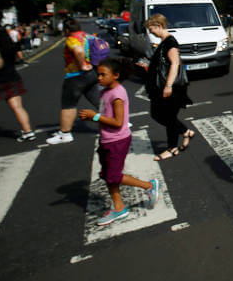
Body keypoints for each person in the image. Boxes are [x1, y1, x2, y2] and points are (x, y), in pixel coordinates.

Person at [78, 58, 160, 225]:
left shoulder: (117, 94)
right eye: (98, 74)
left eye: (103, 75)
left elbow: (118, 122)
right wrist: (97, 118)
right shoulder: (105, 91)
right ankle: (118, 208)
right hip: (106, 139)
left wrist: (94, 116)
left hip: (117, 140)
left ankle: (148, 186)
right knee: (109, 176)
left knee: (113, 175)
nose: (99, 78)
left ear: (115, 75)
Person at [145, 14, 194, 161]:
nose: (150, 32)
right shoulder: (163, 42)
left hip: (171, 88)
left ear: (159, 26)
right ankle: (185, 132)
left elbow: (175, 63)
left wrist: (169, 86)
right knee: (160, 115)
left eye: (151, 29)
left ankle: (172, 148)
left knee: (167, 117)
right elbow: (163, 65)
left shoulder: (170, 42)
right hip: (162, 87)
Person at [47, 18, 99, 145]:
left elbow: (78, 50)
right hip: (91, 73)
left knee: (68, 104)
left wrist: (81, 65)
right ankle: (121, 122)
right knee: (99, 100)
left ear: (67, 29)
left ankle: (65, 134)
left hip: (76, 76)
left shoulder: (72, 38)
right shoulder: (87, 36)